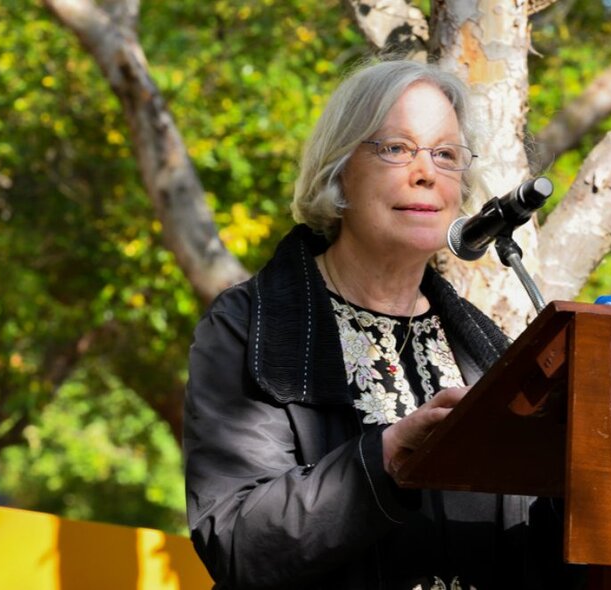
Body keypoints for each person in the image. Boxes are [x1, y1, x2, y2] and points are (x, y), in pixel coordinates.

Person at [183, 59, 576, 589]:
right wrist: (384, 459)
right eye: (396, 148)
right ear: (340, 168)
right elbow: (235, 541)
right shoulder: (247, 327)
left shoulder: (485, 350)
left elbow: (534, 557)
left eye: (445, 155)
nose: (426, 173)